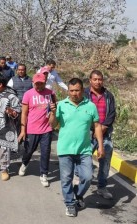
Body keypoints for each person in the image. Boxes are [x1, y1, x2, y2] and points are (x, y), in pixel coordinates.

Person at [49, 78, 104, 217]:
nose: (74, 93)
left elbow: (97, 126)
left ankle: (78, 194)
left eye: (77, 90)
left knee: (87, 177)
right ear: (68, 91)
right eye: (71, 90)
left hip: (84, 150)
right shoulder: (60, 105)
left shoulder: (90, 106)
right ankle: (69, 204)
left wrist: (101, 146)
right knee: (66, 178)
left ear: (82, 90)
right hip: (65, 149)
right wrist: (52, 113)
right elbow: (52, 125)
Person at [17, 73, 55, 187]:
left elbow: (53, 110)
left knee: (45, 152)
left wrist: (54, 111)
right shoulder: (28, 94)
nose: (39, 86)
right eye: (36, 84)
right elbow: (24, 113)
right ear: (33, 83)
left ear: (45, 82)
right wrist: (23, 130)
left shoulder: (50, 94)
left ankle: (44, 174)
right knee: (29, 150)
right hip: (32, 129)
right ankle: (24, 163)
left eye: (41, 84)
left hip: (46, 128)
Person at [85, 70, 116, 199]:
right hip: (88, 133)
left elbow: (112, 113)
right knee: (84, 160)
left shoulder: (108, 95)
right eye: (95, 79)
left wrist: (103, 127)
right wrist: (93, 128)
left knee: (105, 162)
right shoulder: (84, 94)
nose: (98, 82)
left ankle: (102, 187)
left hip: (105, 133)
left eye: (100, 79)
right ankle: (80, 181)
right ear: (90, 80)